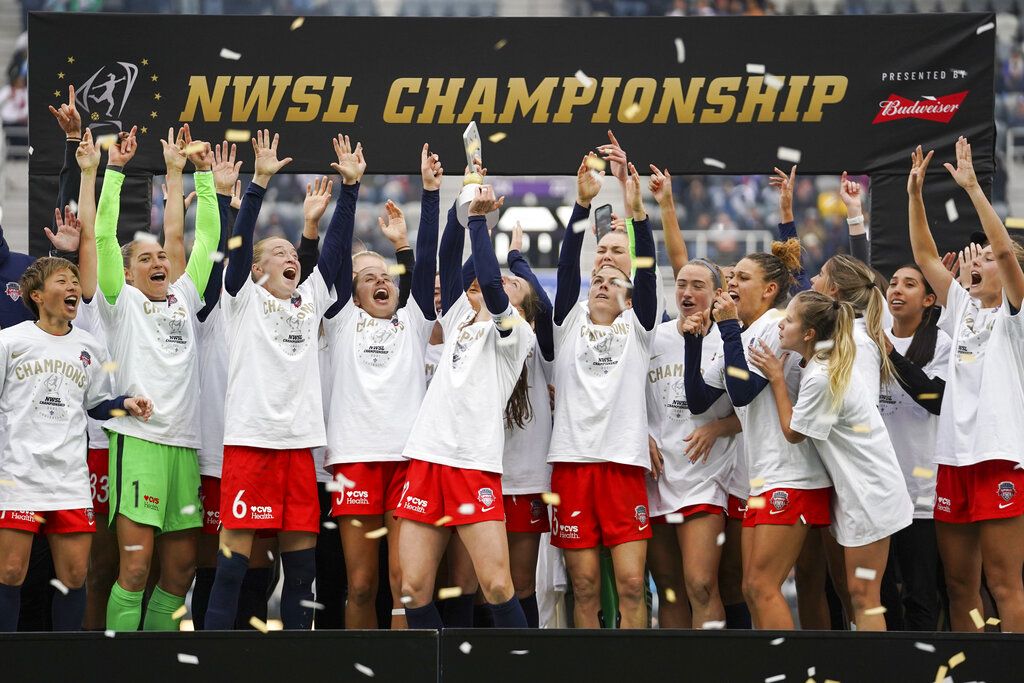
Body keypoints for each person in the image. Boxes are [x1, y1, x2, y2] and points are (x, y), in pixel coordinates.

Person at [204, 131, 350, 630]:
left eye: (294, 254)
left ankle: (296, 662)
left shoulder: (307, 301)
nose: (293, 258)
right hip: (249, 443)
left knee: (301, 575)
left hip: (300, 448)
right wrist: (258, 184)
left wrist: (348, 191)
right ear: (258, 267)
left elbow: (329, 257)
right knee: (232, 571)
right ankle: (212, 662)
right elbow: (236, 249)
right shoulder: (241, 298)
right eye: (281, 252)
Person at [94, 127, 220, 631]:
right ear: (126, 274)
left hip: (185, 447)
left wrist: (204, 174)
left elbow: (206, 238)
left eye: (162, 256)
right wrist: (115, 172)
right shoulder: (119, 304)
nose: (158, 262)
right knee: (136, 568)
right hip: (139, 443)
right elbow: (103, 235)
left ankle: (158, 659)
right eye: (144, 258)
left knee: (181, 572)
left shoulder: (184, 300)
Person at [394, 183, 534, 630]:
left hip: (473, 464)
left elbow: (492, 285)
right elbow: (450, 257)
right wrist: (456, 203)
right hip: (427, 458)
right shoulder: (458, 318)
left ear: (523, 309)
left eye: (516, 284)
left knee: (495, 585)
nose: (499, 283)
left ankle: (522, 663)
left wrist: (479, 222)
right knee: (414, 590)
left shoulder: (516, 336)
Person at [682, 243, 832, 631]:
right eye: (731, 277)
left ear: (768, 290)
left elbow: (744, 391)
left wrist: (729, 328)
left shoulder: (776, 324)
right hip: (763, 477)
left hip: (793, 475)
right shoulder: (743, 332)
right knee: (753, 588)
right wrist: (693, 341)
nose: (731, 283)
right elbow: (699, 401)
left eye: (742, 278)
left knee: (763, 587)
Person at [907, 139, 1024, 632]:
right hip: (953, 459)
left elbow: (1002, 247)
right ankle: (969, 669)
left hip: (998, 454)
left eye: (988, 260)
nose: (977, 262)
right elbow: (924, 254)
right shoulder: (964, 308)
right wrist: (914, 195)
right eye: (973, 259)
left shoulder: (1015, 317)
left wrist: (974, 189)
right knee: (960, 587)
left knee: (1004, 585)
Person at [323, 143, 441, 629]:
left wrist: (427, 199)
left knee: (402, 585)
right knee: (361, 584)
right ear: (351, 290)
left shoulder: (413, 322)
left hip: (406, 461)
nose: (380, 281)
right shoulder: (340, 321)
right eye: (366, 277)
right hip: (353, 460)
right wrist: (350, 190)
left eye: (385, 276)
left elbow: (426, 262)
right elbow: (329, 265)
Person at [0, 256, 151, 631]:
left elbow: (98, 405)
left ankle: (66, 666)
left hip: (69, 481)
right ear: (36, 294)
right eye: (62, 281)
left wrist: (125, 405)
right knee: (11, 573)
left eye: (75, 281)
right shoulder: (9, 341)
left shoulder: (91, 347)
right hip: (17, 479)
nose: (72, 287)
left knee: (74, 576)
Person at [748, 290, 913, 631]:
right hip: (860, 490)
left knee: (864, 596)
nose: (782, 325)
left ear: (809, 334)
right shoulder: (822, 365)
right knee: (856, 593)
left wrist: (778, 379)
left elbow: (794, 433)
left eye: (790, 320)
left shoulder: (822, 377)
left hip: (870, 493)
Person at [547, 157, 657, 630]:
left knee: (632, 585)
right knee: (585, 586)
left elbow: (649, 271)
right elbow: (568, 265)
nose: (601, 279)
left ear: (629, 292)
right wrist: (581, 203)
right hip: (572, 466)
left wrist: (637, 212)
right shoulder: (567, 323)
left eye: (613, 278)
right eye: (597, 276)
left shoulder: (639, 326)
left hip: (622, 465)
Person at [645, 258, 741, 629]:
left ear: (718, 293)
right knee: (670, 588)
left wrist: (718, 427)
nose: (686, 292)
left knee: (701, 584)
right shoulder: (655, 336)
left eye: (698, 285)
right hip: (657, 475)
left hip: (705, 476)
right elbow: (624, 395)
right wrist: (642, 432)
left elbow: (754, 409)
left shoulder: (732, 339)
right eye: (682, 284)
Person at [878, 264, 951, 630]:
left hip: (921, 490)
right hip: (876, 489)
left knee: (920, 594)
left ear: (928, 300)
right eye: (892, 283)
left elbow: (933, 398)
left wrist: (891, 353)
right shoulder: (867, 339)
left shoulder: (940, 341)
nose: (897, 290)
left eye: (909, 284)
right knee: (880, 596)